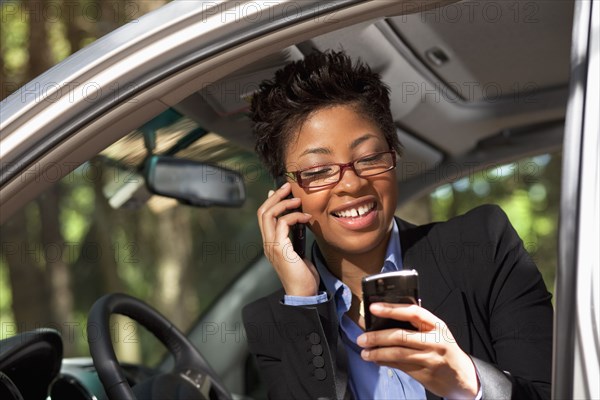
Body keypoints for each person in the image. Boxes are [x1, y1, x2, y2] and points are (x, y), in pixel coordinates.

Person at [242, 50, 553, 400]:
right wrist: (303, 303)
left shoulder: (483, 246)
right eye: (318, 172)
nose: (352, 184)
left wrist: (469, 382)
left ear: (393, 157)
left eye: (370, 158)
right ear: (285, 193)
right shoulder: (272, 322)